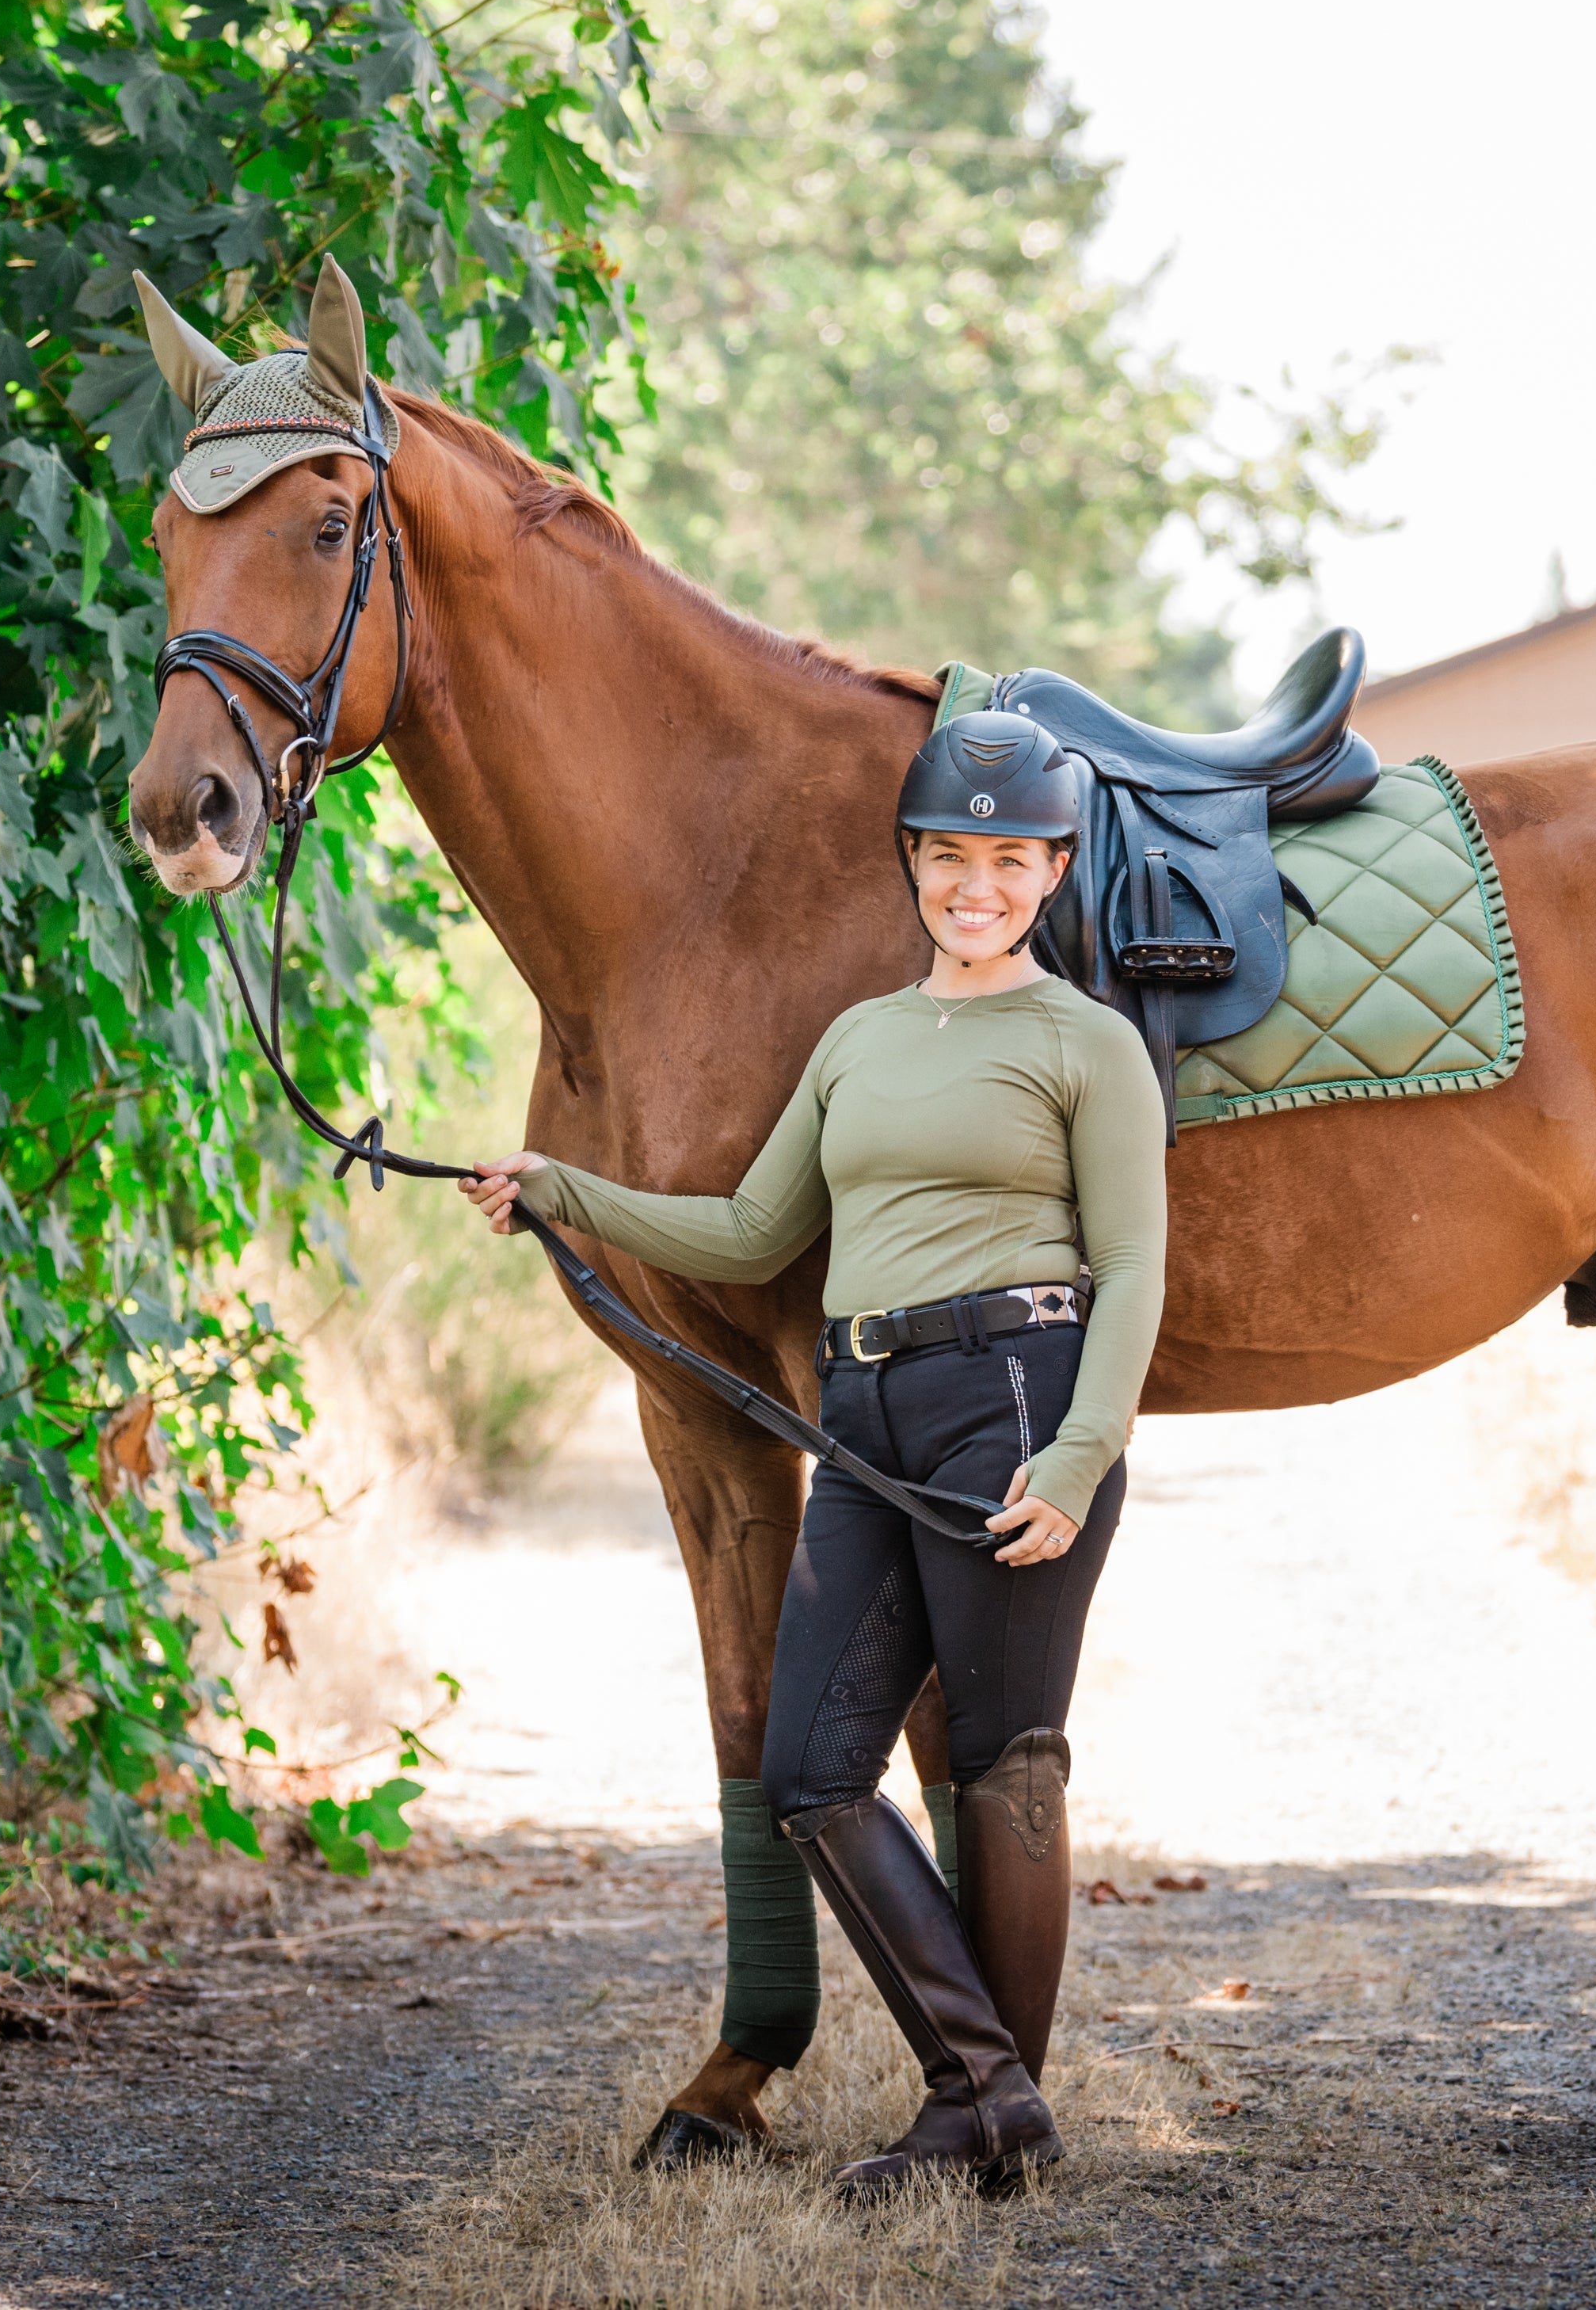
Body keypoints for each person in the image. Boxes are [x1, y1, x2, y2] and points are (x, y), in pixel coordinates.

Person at [459, 711, 1167, 2196]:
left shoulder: (1089, 1044)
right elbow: (751, 1234)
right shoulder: (858, 1041)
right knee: (810, 1766)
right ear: (913, 862)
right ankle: (992, 2094)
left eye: (1008, 859)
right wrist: (563, 1191)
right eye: (948, 855)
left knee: (1003, 1767)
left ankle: (984, 2119)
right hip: (863, 1413)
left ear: (1051, 870)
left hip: (1016, 1403)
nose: (975, 884)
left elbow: (1135, 1267)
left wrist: (1082, 1453)